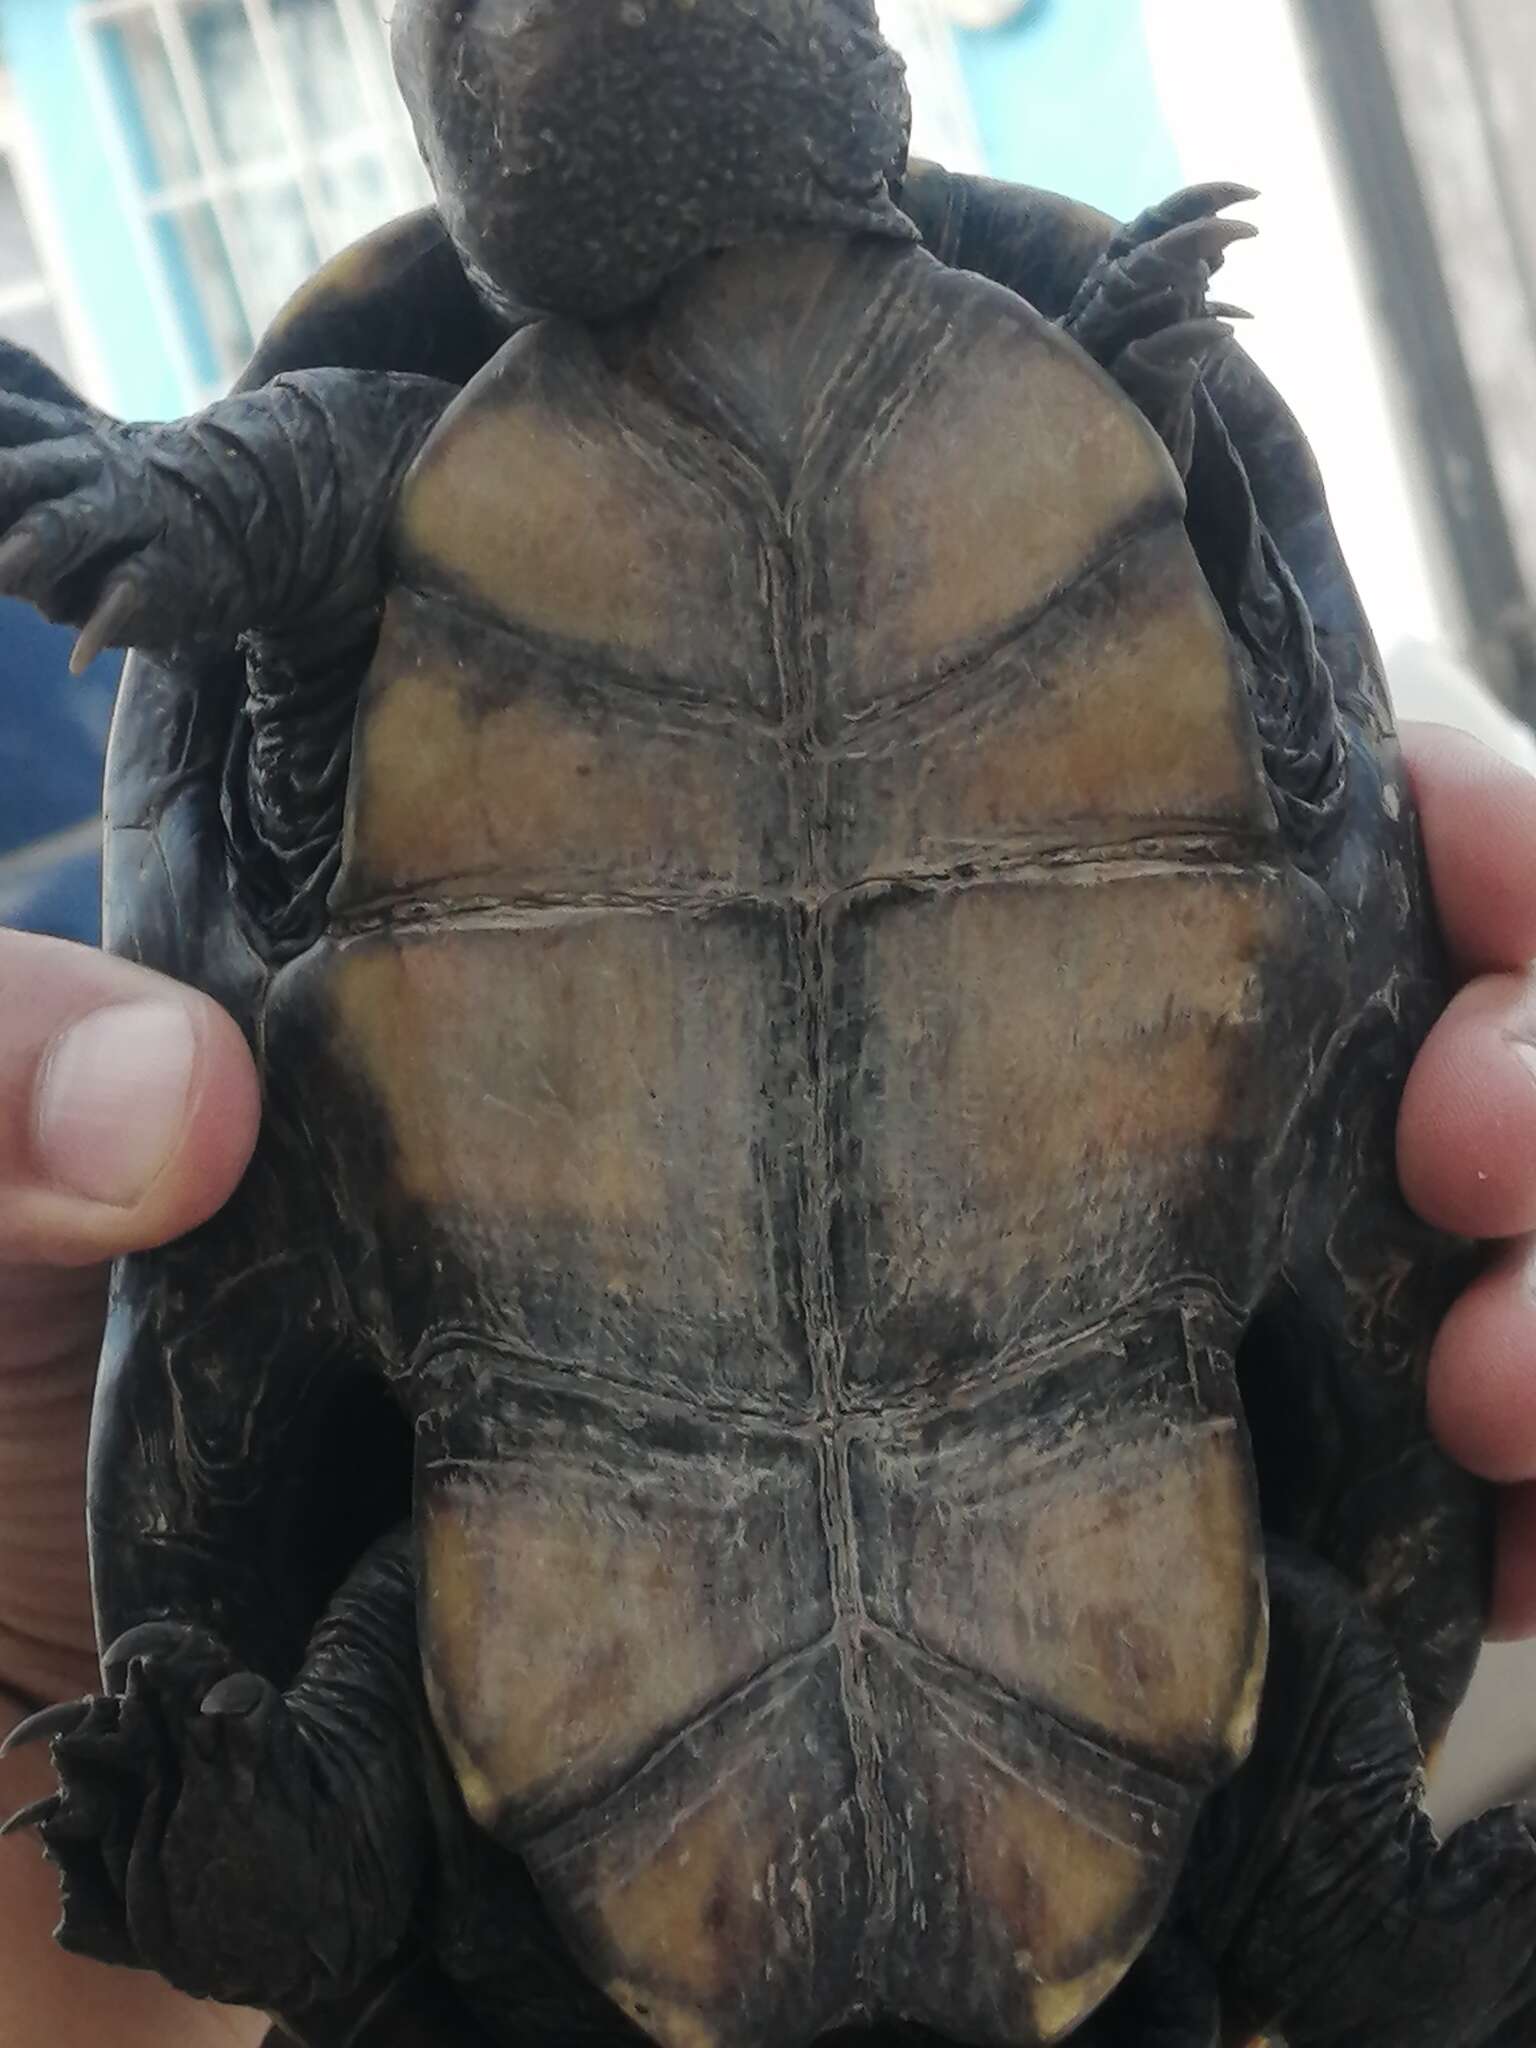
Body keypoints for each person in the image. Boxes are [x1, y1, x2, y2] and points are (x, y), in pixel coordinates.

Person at [0, 718, 1532, 2038]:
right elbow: (1323, 1675)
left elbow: (321, 1782)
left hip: (415, 737)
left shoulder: (453, 1919)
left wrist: (198, 1879)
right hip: (1059, 724)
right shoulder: (1228, 1895)